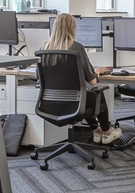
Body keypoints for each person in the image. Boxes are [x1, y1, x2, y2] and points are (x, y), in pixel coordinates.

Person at [41, 13, 121, 145]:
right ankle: (107, 133)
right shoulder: (76, 48)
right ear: (72, 28)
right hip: (74, 103)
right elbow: (93, 81)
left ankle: (96, 130)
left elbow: (39, 78)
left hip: (49, 103)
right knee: (97, 95)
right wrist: (97, 71)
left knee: (87, 95)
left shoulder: (43, 47)